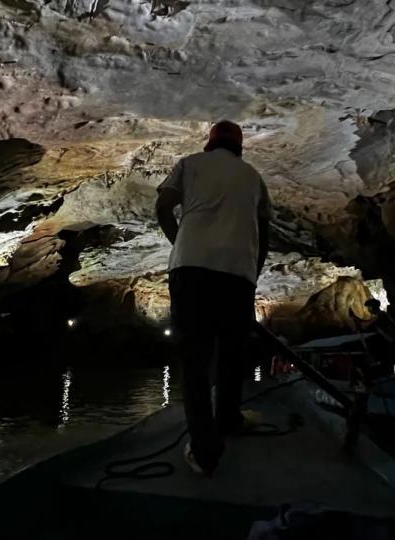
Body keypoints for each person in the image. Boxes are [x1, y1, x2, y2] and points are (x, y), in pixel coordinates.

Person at [156, 120, 272, 475]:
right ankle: (229, 419)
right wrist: (252, 271)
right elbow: (263, 233)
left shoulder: (190, 164)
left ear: (209, 143)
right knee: (231, 353)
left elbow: (163, 207)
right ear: (239, 147)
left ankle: (205, 450)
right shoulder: (253, 178)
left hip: (191, 270)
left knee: (194, 359)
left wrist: (183, 244)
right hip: (237, 274)